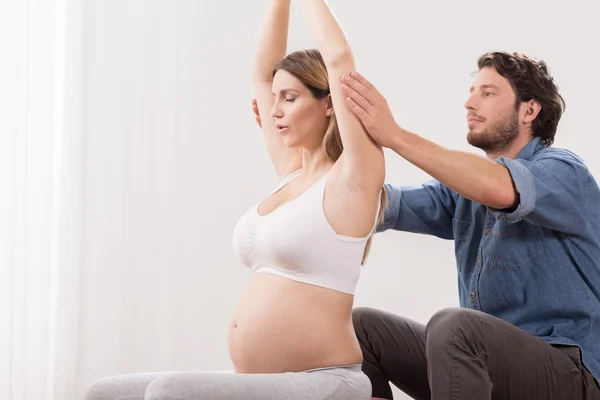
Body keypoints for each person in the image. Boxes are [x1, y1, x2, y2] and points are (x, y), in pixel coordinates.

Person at [82, 0, 385, 399]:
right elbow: (261, 71)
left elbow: (339, 57)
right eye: (274, 98)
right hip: (264, 381)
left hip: (328, 381)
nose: (273, 110)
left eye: (290, 98)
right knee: (105, 393)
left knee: (168, 392)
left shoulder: (353, 178)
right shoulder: (291, 174)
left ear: (330, 103)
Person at [254, 51, 600, 399]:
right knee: (361, 331)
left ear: (529, 110)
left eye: (487, 92)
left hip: (569, 375)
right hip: (485, 366)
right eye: (472, 90)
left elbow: (499, 187)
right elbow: (369, 201)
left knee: (454, 327)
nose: (469, 102)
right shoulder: (463, 194)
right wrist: (311, 147)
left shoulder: (564, 172)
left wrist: (395, 136)